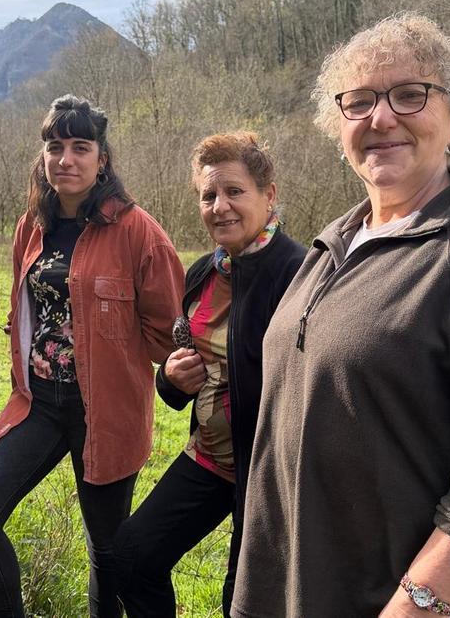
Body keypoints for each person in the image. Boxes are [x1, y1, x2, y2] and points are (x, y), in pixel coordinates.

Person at [232, 13, 450, 617]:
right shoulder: (332, 242)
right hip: (289, 593)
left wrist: (417, 605)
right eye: (359, 101)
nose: (381, 117)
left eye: (410, 94)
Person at [0, 94, 184, 618]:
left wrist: (113, 351)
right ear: (44, 157)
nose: (66, 159)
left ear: (102, 158)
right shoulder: (33, 226)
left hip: (106, 414)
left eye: (81, 147)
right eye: (56, 147)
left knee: (107, 550)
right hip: (38, 405)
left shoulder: (137, 230)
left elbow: (168, 332)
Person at [114, 132, 306, 616]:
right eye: (208, 195)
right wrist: (170, 381)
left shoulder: (300, 274)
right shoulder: (203, 271)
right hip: (209, 458)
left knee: (242, 601)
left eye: (235, 192)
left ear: (269, 195)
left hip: (268, 471)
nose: (220, 206)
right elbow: (191, 366)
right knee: (132, 559)